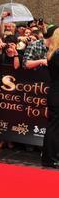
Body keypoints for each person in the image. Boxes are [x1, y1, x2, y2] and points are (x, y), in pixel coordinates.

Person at [41, 25, 59, 168]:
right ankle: (49, 158)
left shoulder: (52, 54)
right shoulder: (57, 55)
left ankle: (50, 156)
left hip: (55, 93)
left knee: (54, 127)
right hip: (57, 95)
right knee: (54, 127)